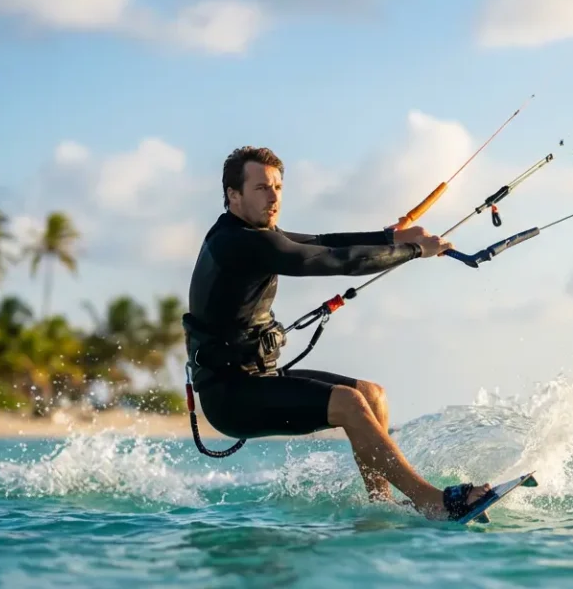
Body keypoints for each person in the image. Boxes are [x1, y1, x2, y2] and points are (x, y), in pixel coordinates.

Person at [182, 145, 491, 521]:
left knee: (371, 396)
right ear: (234, 195)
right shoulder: (238, 242)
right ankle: (432, 501)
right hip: (229, 396)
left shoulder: (258, 233)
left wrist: (387, 238)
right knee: (347, 402)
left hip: (257, 378)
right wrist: (412, 250)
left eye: (278, 187)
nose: (274, 196)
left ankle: (382, 507)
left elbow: (322, 240)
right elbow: (324, 260)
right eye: (262, 188)